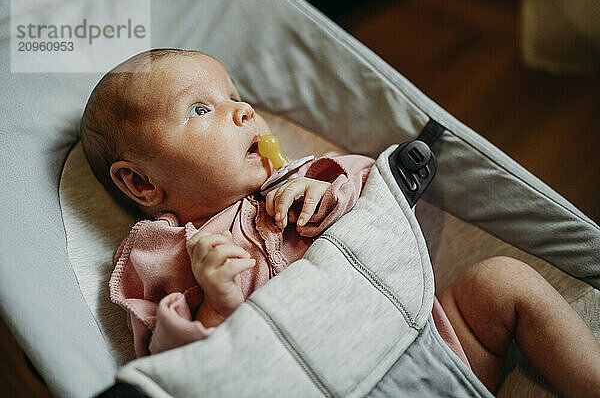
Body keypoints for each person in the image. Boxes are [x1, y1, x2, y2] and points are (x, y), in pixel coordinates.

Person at [80, 49, 600, 397]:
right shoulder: (161, 255)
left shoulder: (306, 178)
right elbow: (169, 365)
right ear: (142, 185)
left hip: (427, 342)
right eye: (199, 109)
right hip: (321, 384)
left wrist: (330, 194)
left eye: (236, 97)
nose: (242, 112)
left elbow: (383, 198)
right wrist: (214, 310)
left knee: (502, 282)